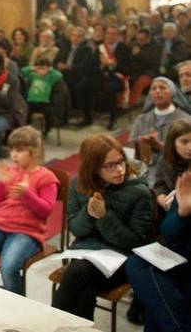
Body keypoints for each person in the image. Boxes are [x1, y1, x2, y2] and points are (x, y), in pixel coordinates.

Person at [51, 135, 153, 320]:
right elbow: (76, 229)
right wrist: (89, 214)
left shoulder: (139, 192)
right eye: (110, 165)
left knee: (75, 272)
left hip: (122, 261)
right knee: (85, 293)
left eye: (121, 161)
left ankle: (47, 325)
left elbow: (136, 242)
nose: (119, 169)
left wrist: (104, 217)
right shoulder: (79, 183)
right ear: (94, 168)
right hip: (87, 255)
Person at [0, 127, 59, 295]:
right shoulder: (11, 172)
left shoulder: (46, 177)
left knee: (8, 267)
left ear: (35, 151)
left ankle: (16, 303)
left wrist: (27, 194)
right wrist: (1, 182)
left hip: (27, 231)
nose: (14, 155)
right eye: (12, 150)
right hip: (0, 225)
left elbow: (46, 211)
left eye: (20, 150)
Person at [125, 170, 191, 332]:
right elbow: (168, 231)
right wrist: (182, 213)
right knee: (138, 264)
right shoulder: (187, 186)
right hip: (178, 260)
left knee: (159, 300)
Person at [129, 77, 191, 183]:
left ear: (172, 92)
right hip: (145, 171)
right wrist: (141, 143)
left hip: (176, 173)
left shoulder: (185, 119)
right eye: (154, 89)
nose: (157, 91)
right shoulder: (141, 119)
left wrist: (159, 145)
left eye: (162, 88)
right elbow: (131, 147)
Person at [154, 118, 191, 213]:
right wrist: (161, 196)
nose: (190, 147)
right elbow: (159, 184)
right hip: (175, 205)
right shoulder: (164, 161)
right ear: (173, 143)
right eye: (184, 142)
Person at [21, 59, 62, 139]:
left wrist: (51, 70)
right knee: (26, 113)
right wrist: (33, 68)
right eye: (39, 68)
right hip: (31, 101)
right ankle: (27, 130)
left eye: (43, 68)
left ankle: (46, 130)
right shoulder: (33, 76)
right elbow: (23, 71)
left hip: (44, 102)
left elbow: (59, 75)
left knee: (49, 115)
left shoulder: (50, 78)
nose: (41, 71)